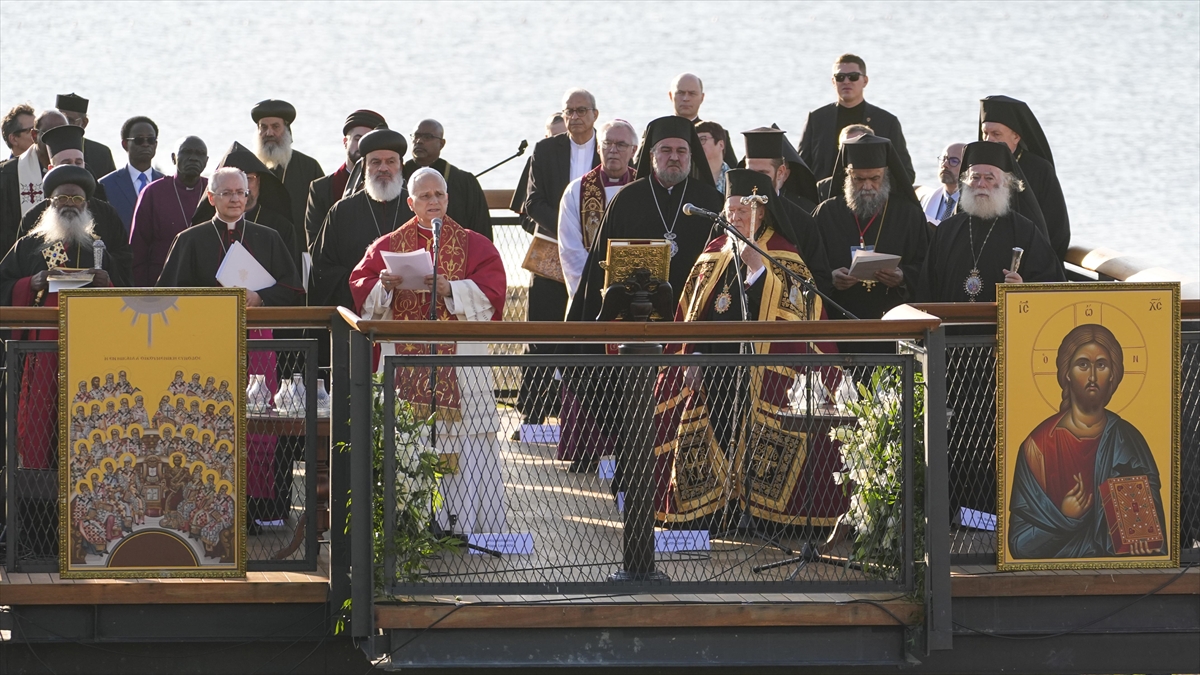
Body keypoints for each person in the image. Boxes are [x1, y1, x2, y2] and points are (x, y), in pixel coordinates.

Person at [650, 169, 843, 526]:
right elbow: (690, 313)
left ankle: (756, 512)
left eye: (744, 210)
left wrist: (758, 270)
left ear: (763, 212)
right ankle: (715, 510)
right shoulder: (714, 252)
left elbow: (799, 314)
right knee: (715, 435)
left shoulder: (784, 255)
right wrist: (691, 355)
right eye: (731, 210)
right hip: (712, 370)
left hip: (761, 372)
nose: (735, 217)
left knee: (753, 439)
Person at [349, 167, 508, 535]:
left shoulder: (475, 244)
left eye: (439, 195)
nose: (433, 201)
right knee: (406, 439)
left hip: (460, 369)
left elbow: (493, 294)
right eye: (424, 196)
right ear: (411, 203)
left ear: (448, 199)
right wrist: (385, 287)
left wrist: (450, 288)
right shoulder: (387, 245)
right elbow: (362, 291)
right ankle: (408, 525)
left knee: (466, 442)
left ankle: (464, 524)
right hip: (403, 367)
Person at [0, 166, 127, 470]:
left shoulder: (98, 249)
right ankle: (32, 497)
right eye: (62, 198)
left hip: (90, 352)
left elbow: (124, 298)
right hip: (37, 353)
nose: (70, 203)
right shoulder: (29, 245)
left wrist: (106, 283)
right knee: (37, 424)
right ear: (50, 203)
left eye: (77, 199)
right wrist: (28, 284)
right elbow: (3, 284)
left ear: (86, 205)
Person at [1009, 324, 1165, 559]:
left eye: (1101, 365)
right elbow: (1020, 545)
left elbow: (1150, 531)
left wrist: (1142, 538)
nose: (1092, 376)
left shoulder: (1128, 440)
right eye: (1083, 364)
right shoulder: (1038, 446)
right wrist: (1066, 518)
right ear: (1067, 372)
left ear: (1113, 373)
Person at [568, 114, 721, 322]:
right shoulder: (626, 199)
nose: (674, 157)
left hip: (694, 316)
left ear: (691, 156)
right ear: (651, 155)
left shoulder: (711, 201)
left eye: (681, 151)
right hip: (634, 319)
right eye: (666, 150)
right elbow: (599, 266)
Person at [518, 89, 601, 428]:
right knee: (542, 332)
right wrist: (571, 228)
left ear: (595, 114)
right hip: (552, 252)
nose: (576, 117)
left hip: (597, 257)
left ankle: (588, 422)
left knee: (591, 335)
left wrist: (589, 235)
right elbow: (532, 203)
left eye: (582, 110)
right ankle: (533, 417)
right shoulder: (546, 150)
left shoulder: (609, 149)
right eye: (569, 111)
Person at [918, 141, 1063, 303]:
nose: (981, 184)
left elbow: (1052, 284)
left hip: (1003, 326)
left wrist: (1023, 288)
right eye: (975, 177)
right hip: (950, 325)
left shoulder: (1025, 231)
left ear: (1006, 183)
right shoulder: (947, 230)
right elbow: (927, 287)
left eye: (989, 178)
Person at [814, 134, 928, 325]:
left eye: (875, 178)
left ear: (886, 175)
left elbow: (926, 267)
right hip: (839, 321)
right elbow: (808, 265)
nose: (867, 186)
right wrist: (831, 278)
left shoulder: (909, 215)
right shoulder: (827, 213)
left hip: (895, 322)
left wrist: (902, 277)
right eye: (859, 179)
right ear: (848, 176)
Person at [157, 166, 303, 306]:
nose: (235, 199)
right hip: (206, 325)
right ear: (211, 198)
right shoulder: (188, 239)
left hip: (255, 327)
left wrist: (260, 298)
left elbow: (291, 286)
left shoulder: (269, 237)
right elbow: (168, 293)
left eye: (240, 192)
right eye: (226, 193)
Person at [310, 128, 413, 308]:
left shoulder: (416, 207)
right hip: (356, 310)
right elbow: (323, 270)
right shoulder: (342, 211)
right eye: (375, 162)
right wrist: (370, 286)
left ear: (401, 166)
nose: (383, 168)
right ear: (365, 166)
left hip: (411, 307)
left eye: (390, 161)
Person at [14, 125, 133, 280]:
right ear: (51, 168)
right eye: (66, 162)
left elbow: (124, 264)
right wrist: (34, 280)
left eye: (78, 162)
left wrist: (107, 275)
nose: (74, 168)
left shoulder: (106, 214)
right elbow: (18, 269)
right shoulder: (34, 217)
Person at [741, 126, 831, 296]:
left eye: (763, 173)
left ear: (780, 173)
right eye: (750, 173)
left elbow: (821, 279)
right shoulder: (730, 216)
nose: (755, 182)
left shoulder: (802, 221)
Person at [557, 119, 638, 304]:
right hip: (591, 291)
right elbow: (570, 249)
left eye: (621, 144)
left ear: (633, 150)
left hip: (638, 292)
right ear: (598, 148)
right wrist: (591, 287)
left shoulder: (645, 188)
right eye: (607, 143)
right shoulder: (577, 190)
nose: (613, 150)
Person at [980, 95, 1070, 260]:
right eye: (985, 133)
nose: (988, 140)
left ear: (1016, 136)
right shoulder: (977, 170)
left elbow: (1058, 229)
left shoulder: (1040, 170)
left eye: (996, 134)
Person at [798, 54, 913, 182]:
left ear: (865, 81)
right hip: (824, 198)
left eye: (853, 77)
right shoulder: (817, 119)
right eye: (840, 77)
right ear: (833, 82)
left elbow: (906, 173)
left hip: (871, 197)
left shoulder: (886, 121)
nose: (846, 81)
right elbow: (801, 168)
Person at [191, 141, 301, 269]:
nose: (242, 187)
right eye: (228, 188)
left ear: (259, 182)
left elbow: (289, 282)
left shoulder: (280, 229)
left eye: (248, 179)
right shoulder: (194, 236)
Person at [128, 136, 209, 286]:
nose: (193, 158)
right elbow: (138, 248)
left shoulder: (214, 191)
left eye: (199, 154)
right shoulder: (153, 192)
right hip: (161, 281)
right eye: (186, 152)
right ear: (174, 158)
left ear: (206, 160)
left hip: (204, 281)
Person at [304, 109, 386, 251]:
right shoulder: (321, 189)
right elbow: (316, 245)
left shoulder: (392, 186)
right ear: (345, 142)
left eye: (369, 140)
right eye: (358, 138)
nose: (363, 146)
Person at [402, 119, 492, 240]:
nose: (419, 141)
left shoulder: (463, 182)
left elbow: (481, 231)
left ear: (442, 144)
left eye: (427, 137)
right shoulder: (398, 178)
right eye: (416, 136)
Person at [252, 99, 324, 237]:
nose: (269, 133)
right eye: (264, 127)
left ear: (287, 130)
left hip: (299, 247)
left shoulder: (309, 167)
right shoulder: (248, 166)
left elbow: (321, 215)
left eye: (275, 127)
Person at [0, 109, 68, 253]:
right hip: (21, 261)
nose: (58, 138)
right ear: (35, 135)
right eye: (51, 133)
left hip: (69, 262)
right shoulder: (7, 174)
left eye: (63, 132)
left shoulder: (78, 170)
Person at [98, 116, 164, 234]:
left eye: (151, 140)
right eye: (139, 140)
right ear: (125, 144)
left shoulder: (167, 184)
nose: (145, 144)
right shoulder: (105, 185)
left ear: (156, 144)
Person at [510, 113, 565, 236]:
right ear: (546, 138)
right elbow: (525, 215)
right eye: (555, 137)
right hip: (547, 237)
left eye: (564, 136)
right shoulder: (536, 161)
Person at [669, 73, 738, 167]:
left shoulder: (717, 134)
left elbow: (731, 173)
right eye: (680, 93)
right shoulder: (656, 131)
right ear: (670, 96)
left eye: (692, 94)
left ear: (702, 98)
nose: (686, 98)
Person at [55, 93, 117, 180]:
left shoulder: (101, 154)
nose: (64, 125)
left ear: (84, 123)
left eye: (70, 120)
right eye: (60, 119)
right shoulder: (47, 148)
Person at [814, 123, 873, 202]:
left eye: (856, 147)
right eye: (845, 147)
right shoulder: (824, 188)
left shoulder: (886, 185)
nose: (851, 152)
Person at [920, 143, 965, 227]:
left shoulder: (975, 204)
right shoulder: (926, 199)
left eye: (953, 161)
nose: (945, 165)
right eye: (943, 159)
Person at [695, 121, 729, 194]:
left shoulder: (735, 179)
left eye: (702, 139)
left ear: (721, 144)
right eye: (695, 141)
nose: (697, 145)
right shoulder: (689, 177)